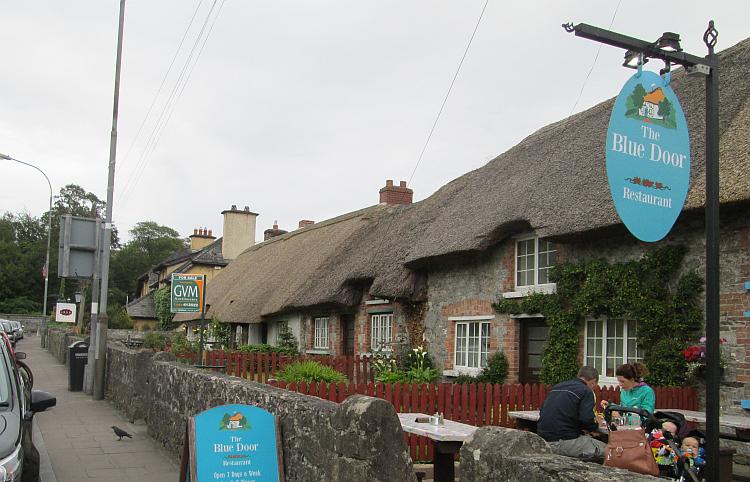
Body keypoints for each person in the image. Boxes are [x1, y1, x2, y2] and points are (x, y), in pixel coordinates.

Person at [537, 366, 606, 459]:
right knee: (609, 450)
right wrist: (596, 425)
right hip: (563, 441)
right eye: (595, 386)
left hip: (543, 439)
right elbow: (586, 419)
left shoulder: (557, 387)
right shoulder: (586, 391)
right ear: (593, 381)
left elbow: (545, 411)